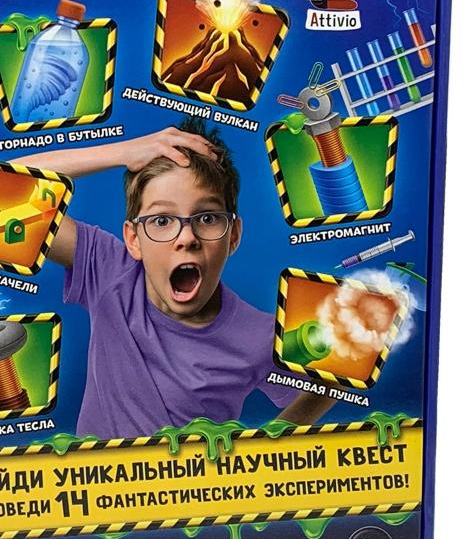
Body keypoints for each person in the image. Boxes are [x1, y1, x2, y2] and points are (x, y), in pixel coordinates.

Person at [17, 119, 335, 438]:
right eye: (162, 220)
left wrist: (271, 442)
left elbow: (331, 382)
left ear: (233, 235)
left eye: (207, 218)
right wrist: (122, 153)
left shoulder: (261, 336)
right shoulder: (109, 271)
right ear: (133, 239)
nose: (186, 237)